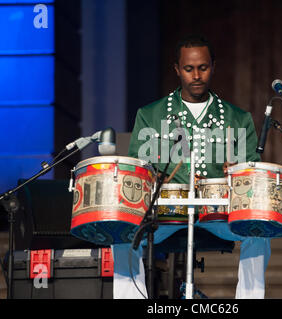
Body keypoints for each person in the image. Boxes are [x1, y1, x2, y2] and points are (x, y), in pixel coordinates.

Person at [111, 34, 271, 299]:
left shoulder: (238, 118)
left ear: (213, 67)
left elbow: (252, 178)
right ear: (177, 69)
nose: (196, 75)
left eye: (203, 67)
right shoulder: (150, 115)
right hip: (164, 214)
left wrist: (238, 173)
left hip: (218, 215)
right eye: (189, 68)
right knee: (123, 232)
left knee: (258, 231)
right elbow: (137, 174)